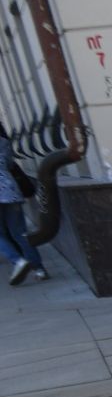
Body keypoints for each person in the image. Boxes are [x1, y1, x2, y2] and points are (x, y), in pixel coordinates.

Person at [0, 121, 46, 286]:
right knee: (20, 233)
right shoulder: (4, 142)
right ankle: (39, 269)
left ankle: (17, 260)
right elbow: (10, 164)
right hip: (11, 190)